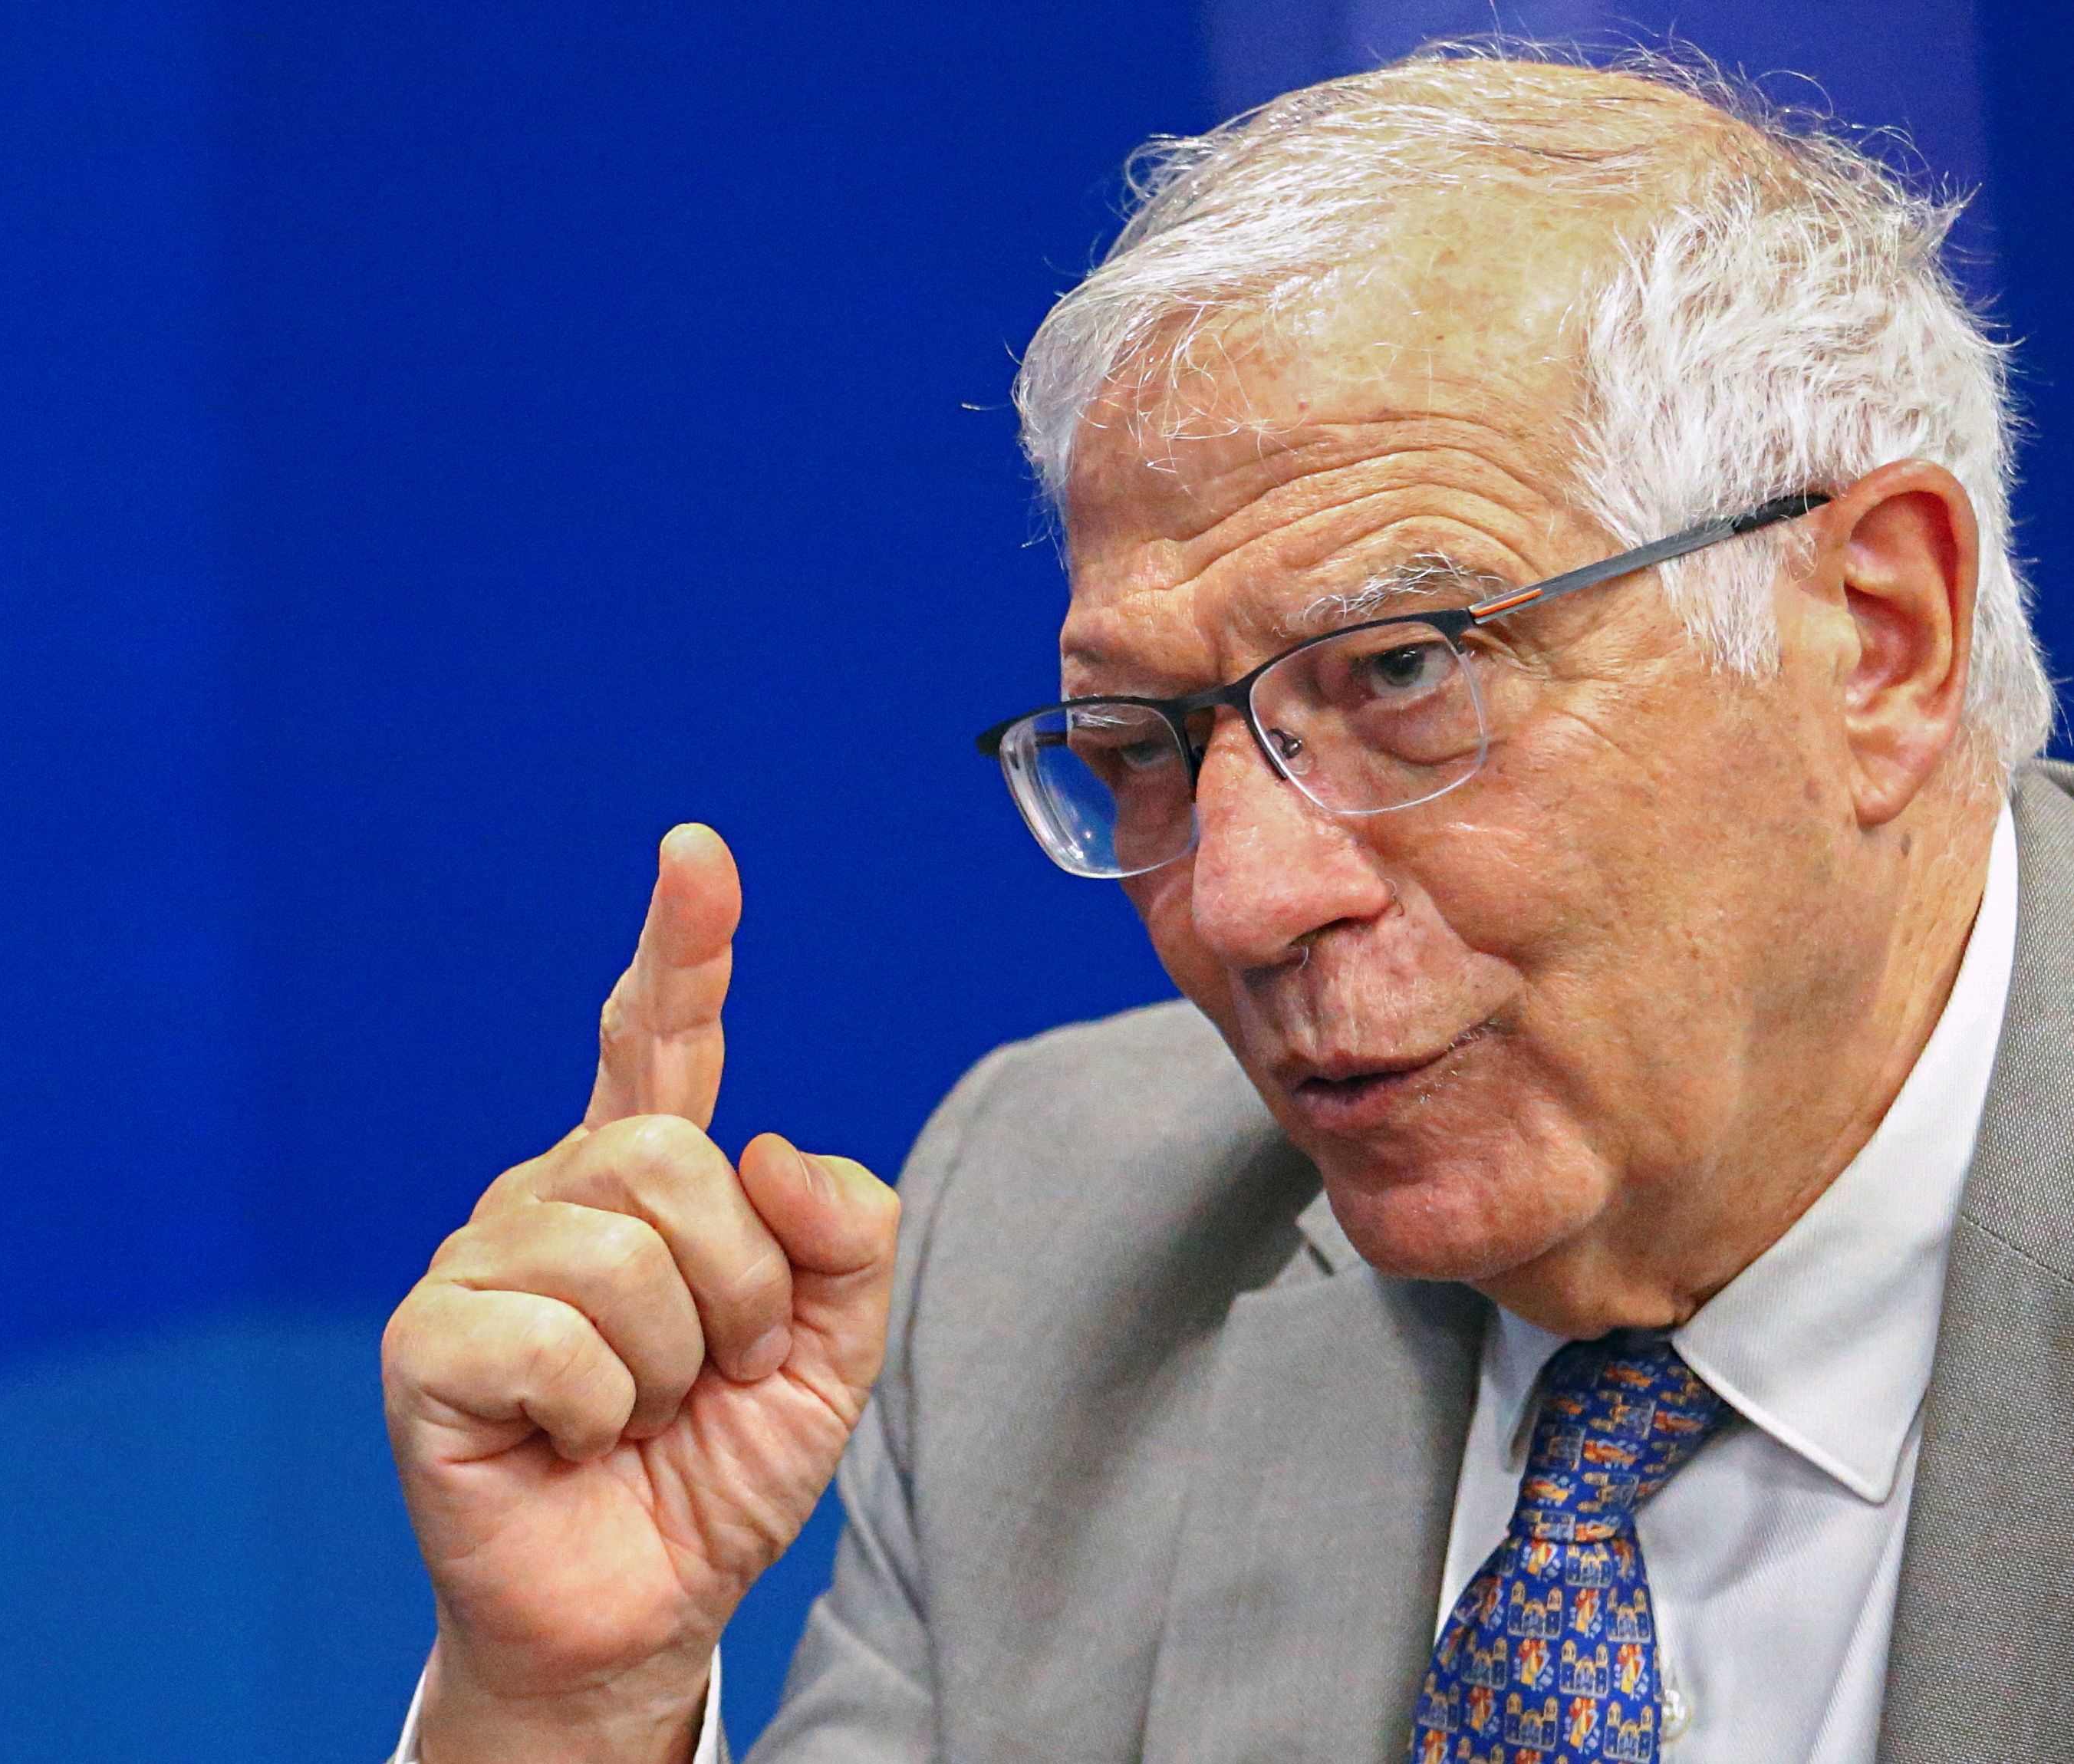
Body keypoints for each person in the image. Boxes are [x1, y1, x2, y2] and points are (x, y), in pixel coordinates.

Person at [379, 47, 2074, 1764]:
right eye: (1141, 745)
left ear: (1876, 637)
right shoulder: (1047, 1240)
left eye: (1404, 672)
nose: (1243, 897)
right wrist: (567, 1707)